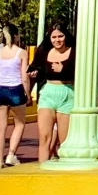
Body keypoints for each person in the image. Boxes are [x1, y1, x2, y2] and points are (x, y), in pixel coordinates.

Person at [0, 24, 31, 169]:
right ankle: (11, 154)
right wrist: (28, 94)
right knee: (19, 123)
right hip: (16, 89)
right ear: (16, 36)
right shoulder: (22, 53)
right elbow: (25, 77)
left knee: (0, 128)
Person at [33, 23, 75, 160]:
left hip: (68, 93)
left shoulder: (74, 52)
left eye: (60, 36)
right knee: (44, 137)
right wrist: (33, 74)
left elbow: (82, 74)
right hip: (48, 93)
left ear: (66, 36)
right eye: (54, 37)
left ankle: (64, 173)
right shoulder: (44, 51)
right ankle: (42, 169)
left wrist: (63, 70)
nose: (57, 40)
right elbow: (35, 69)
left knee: (64, 141)